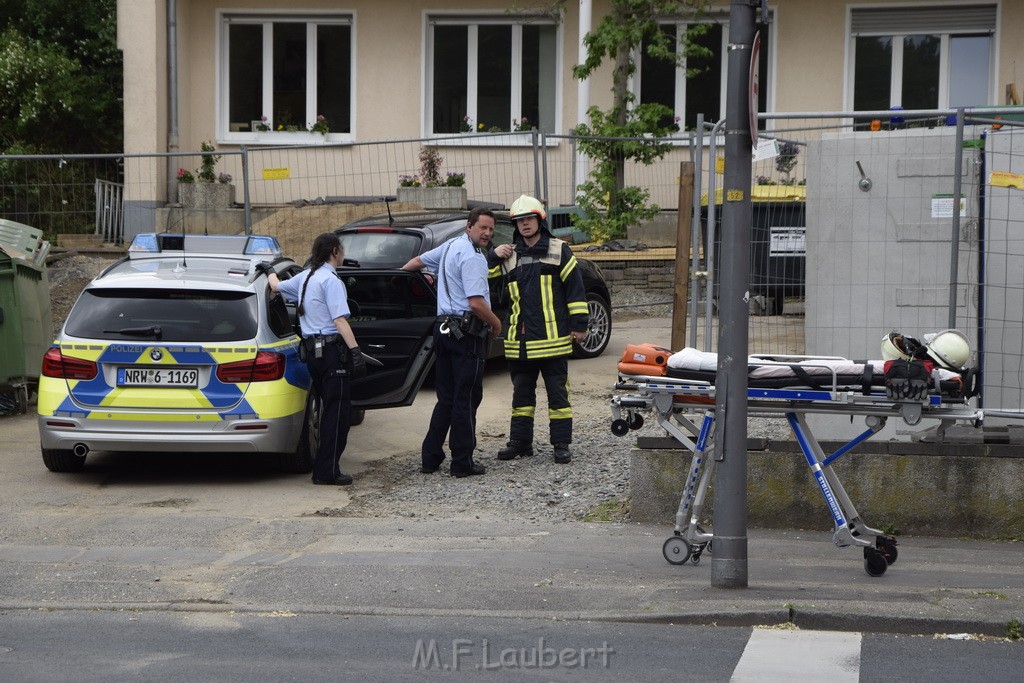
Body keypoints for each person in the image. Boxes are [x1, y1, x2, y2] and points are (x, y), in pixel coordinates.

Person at [401, 208, 502, 478]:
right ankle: (462, 462)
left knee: (445, 398)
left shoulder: (449, 246)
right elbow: (476, 302)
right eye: (483, 228)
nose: (488, 234)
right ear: (469, 227)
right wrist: (496, 324)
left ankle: (431, 458)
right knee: (465, 398)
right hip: (466, 334)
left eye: (491, 229)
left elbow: (414, 263)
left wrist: (400, 289)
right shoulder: (473, 257)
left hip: (443, 331)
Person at [259, 233, 367, 486]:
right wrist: (355, 351)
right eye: (341, 248)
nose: (343, 252)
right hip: (331, 353)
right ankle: (327, 471)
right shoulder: (330, 281)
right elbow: (340, 320)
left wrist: (269, 270)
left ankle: (324, 467)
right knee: (337, 414)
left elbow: (275, 286)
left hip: (313, 354)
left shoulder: (305, 276)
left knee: (328, 409)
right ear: (334, 251)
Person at [488, 195, 589, 464]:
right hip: (519, 342)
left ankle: (561, 444)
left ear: (540, 221)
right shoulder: (508, 256)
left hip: (552, 340)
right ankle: (521, 443)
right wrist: (491, 257)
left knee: (558, 394)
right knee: (521, 395)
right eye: (520, 221)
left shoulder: (559, 250)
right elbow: (487, 286)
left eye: (529, 219)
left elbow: (575, 291)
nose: (525, 224)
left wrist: (580, 326)